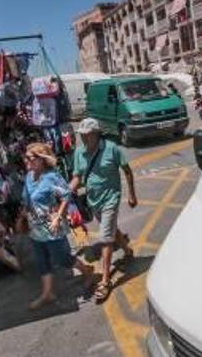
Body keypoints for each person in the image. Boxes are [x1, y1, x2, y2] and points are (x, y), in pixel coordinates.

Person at [70, 118, 137, 303]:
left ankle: (106, 280)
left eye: (87, 135)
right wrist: (69, 190)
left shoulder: (112, 148)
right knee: (111, 229)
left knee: (105, 237)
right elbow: (77, 176)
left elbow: (127, 170)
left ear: (96, 134)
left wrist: (131, 194)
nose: (83, 139)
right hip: (94, 200)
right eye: (81, 135)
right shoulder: (79, 153)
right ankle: (127, 249)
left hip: (111, 198)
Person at [22, 142, 94, 309]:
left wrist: (57, 218)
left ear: (41, 160)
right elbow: (26, 200)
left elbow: (66, 196)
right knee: (42, 261)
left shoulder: (51, 177)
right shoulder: (28, 177)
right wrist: (21, 218)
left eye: (30, 158)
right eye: (25, 158)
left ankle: (86, 271)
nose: (26, 161)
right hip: (35, 228)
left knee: (63, 258)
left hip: (52, 228)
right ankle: (47, 293)